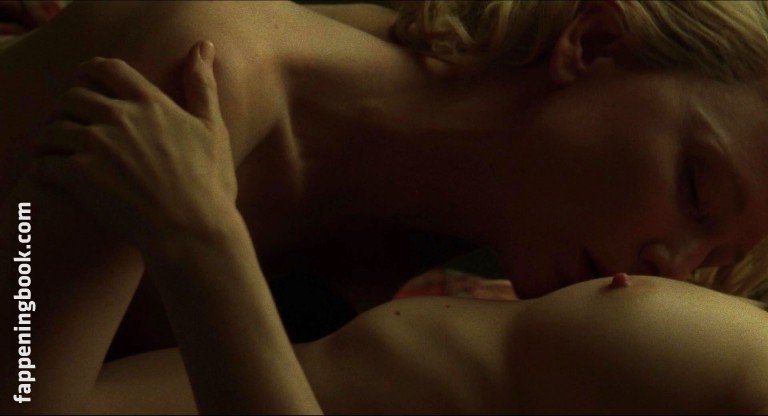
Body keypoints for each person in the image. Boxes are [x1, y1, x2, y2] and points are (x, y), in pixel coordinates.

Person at [2, 0, 768, 398]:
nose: (672, 266)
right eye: (697, 187)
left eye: (712, 260)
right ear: (592, 42)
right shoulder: (209, 74)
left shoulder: (437, 261)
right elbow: (25, 382)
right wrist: (202, 248)